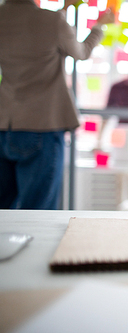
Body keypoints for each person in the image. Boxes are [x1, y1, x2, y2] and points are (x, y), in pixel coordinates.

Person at [0, 0, 114, 209]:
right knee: (37, 212)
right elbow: (82, 53)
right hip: (42, 125)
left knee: (3, 210)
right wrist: (99, 26)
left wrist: (63, 11)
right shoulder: (52, 21)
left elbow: (31, 34)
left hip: (4, 124)